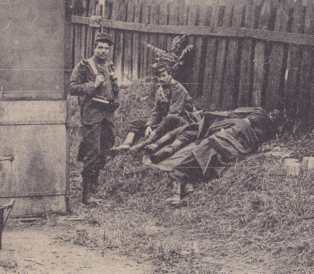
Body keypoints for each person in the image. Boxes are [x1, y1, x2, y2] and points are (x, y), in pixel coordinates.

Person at [150, 107, 279, 206]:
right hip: (232, 154)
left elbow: (216, 126)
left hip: (216, 142)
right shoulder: (262, 135)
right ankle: (189, 187)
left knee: (181, 167)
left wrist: (212, 132)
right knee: (200, 167)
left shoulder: (240, 122)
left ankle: (175, 195)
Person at [69, 32, 119, 205]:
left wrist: (115, 83)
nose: (103, 51)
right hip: (92, 113)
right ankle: (87, 194)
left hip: (108, 114)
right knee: (93, 150)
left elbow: (113, 91)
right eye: (100, 47)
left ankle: (93, 187)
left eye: (106, 48)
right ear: (94, 48)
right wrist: (93, 84)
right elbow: (73, 88)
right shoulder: (84, 66)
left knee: (106, 148)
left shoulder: (109, 66)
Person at [111, 61, 197, 154]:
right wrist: (149, 125)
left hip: (181, 122)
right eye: (159, 77)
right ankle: (126, 144)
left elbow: (174, 113)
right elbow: (156, 111)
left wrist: (156, 129)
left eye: (164, 75)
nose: (161, 79)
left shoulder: (178, 89)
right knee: (137, 122)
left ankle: (141, 145)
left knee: (170, 118)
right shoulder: (160, 89)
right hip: (165, 120)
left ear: (170, 74)